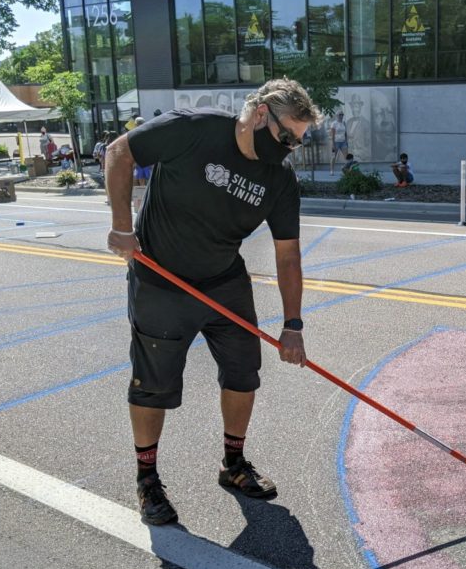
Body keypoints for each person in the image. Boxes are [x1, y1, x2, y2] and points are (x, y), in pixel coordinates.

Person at [104, 77, 319, 526]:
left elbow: (288, 254)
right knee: (154, 383)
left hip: (223, 282)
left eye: (296, 144)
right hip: (161, 281)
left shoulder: (278, 179)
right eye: (285, 137)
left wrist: (293, 325)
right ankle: (147, 480)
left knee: (244, 373)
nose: (288, 149)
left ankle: (234, 464)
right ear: (261, 114)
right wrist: (123, 226)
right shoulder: (194, 128)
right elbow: (120, 152)